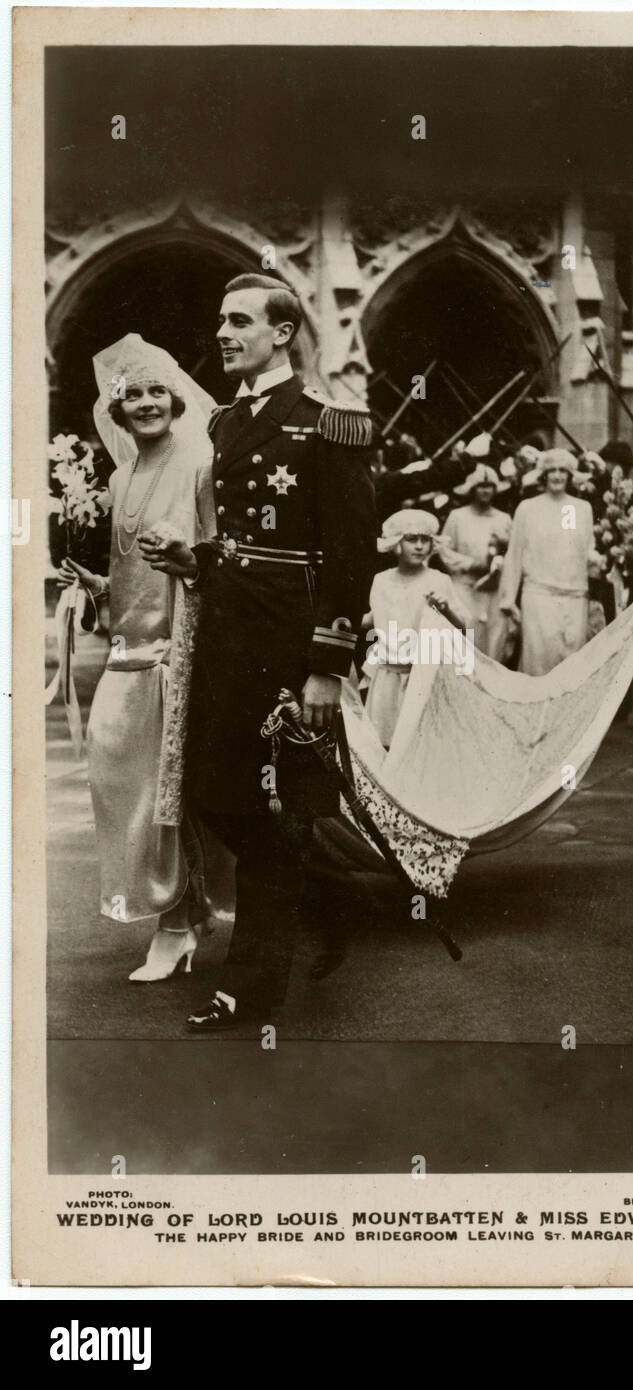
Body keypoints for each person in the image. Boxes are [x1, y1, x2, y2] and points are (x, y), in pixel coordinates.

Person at [143, 273, 377, 1030]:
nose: (221, 332)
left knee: (289, 805)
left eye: (238, 321)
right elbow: (246, 542)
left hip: (291, 637)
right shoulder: (222, 421)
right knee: (211, 790)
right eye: (219, 320)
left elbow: (347, 554)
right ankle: (327, 892)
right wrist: (197, 557)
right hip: (229, 631)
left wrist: (326, 665)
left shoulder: (328, 423)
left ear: (282, 333)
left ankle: (247, 989)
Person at [57, 334, 220, 981]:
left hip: (178, 650)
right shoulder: (121, 474)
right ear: (116, 408)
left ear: (176, 398)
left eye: (157, 391)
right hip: (129, 649)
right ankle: (188, 913)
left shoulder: (201, 462)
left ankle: (175, 927)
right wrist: (99, 589)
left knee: (161, 790)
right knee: (118, 776)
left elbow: (215, 558)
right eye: (133, 394)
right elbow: (131, 573)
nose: (146, 402)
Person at [363, 509, 466, 749]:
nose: (419, 546)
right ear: (396, 542)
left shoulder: (438, 581)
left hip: (421, 677)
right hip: (386, 675)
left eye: (425, 539)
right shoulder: (381, 580)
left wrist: (445, 608)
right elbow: (374, 619)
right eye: (411, 539)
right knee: (382, 741)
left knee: (418, 743)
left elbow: (462, 627)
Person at [499, 448, 594, 675]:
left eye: (563, 471)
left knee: (571, 667)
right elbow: (514, 555)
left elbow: (581, 549)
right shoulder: (528, 508)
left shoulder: (580, 509)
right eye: (552, 471)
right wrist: (508, 599)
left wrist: (599, 561)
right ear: (543, 474)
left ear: (570, 475)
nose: (558, 476)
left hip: (574, 597)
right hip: (539, 598)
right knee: (539, 665)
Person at [440, 463, 512, 660]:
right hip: (465, 588)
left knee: (493, 644)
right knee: (466, 640)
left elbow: (512, 553)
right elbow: (444, 549)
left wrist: (498, 563)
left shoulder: (503, 519)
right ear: (472, 489)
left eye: (489, 486)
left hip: (493, 590)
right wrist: (471, 564)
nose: (485, 491)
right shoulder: (458, 517)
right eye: (480, 486)